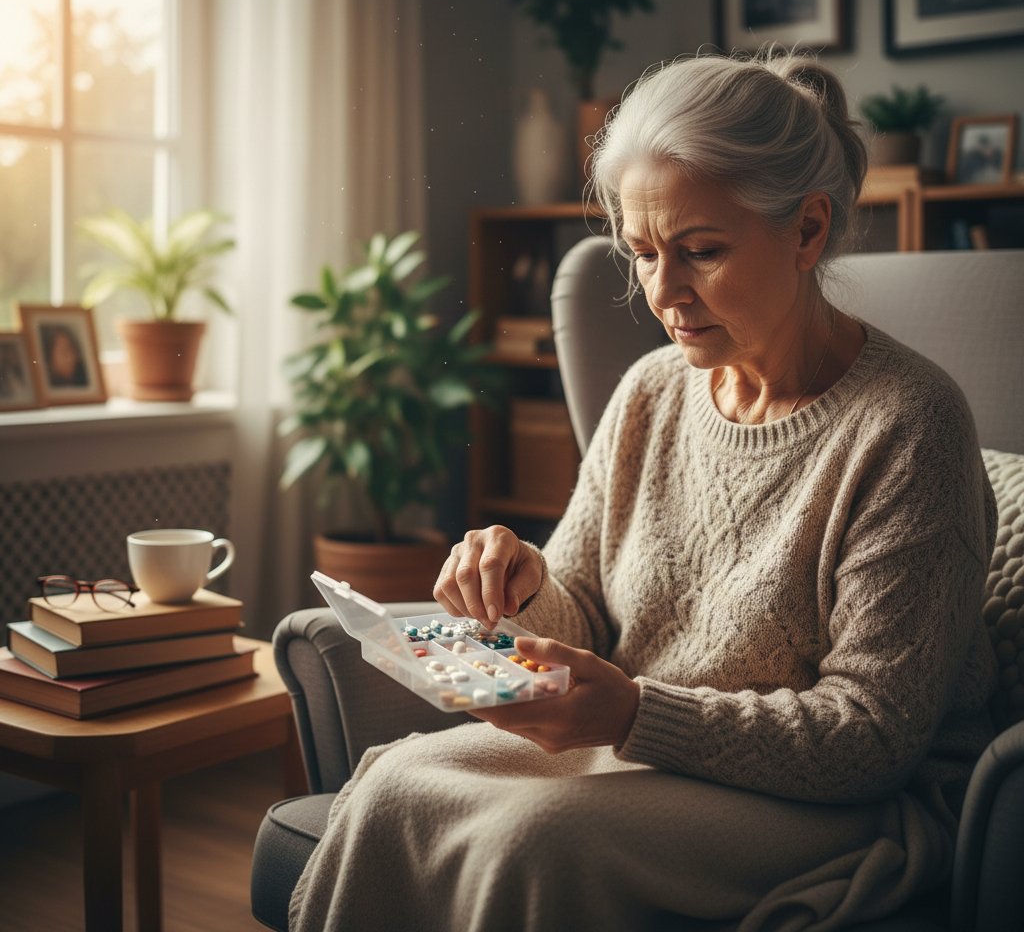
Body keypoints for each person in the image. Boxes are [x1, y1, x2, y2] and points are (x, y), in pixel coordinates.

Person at [290, 49, 996, 931]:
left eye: (701, 251)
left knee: (534, 840)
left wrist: (633, 713)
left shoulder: (910, 423)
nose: (663, 293)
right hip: (646, 750)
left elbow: (871, 737)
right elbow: (581, 605)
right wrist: (525, 586)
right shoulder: (653, 390)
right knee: (395, 780)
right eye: (642, 253)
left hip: (835, 803)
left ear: (808, 230)